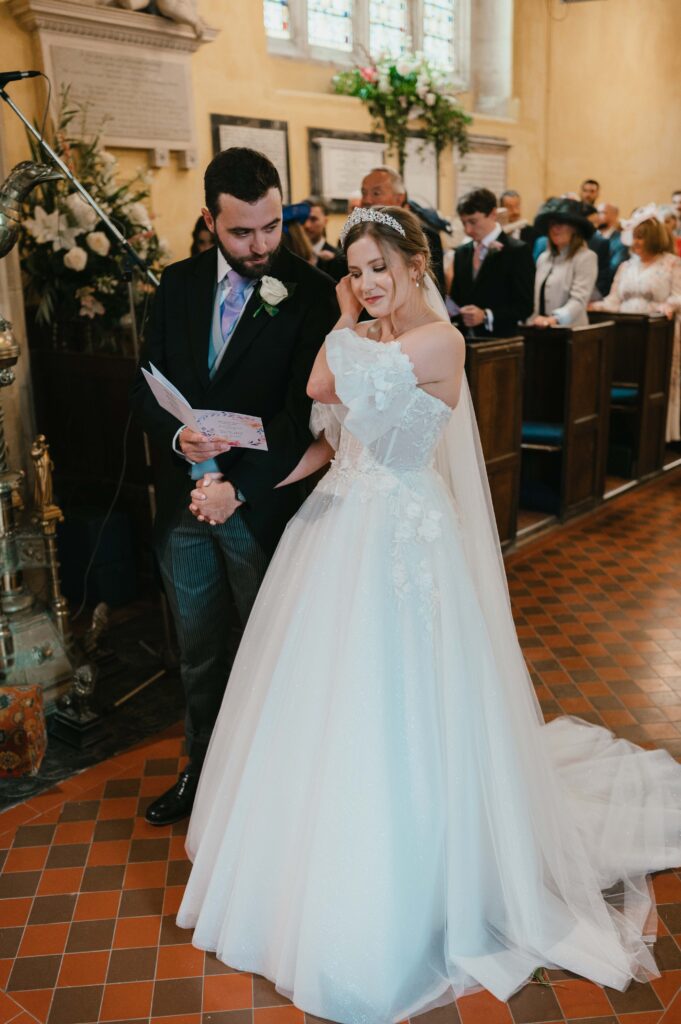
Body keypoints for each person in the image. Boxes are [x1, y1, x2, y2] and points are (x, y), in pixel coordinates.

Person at [177, 203, 681, 1023]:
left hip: (401, 541)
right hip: (336, 527)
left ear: (416, 267)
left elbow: (315, 384)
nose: (367, 283)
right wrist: (246, 487)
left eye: (379, 267)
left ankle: (414, 873)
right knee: (324, 704)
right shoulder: (371, 345)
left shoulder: (437, 342)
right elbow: (334, 441)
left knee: (402, 701)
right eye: (354, 269)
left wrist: (341, 318)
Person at [129, 147, 338, 826]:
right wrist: (179, 439)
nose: (261, 245)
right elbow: (148, 385)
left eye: (272, 226)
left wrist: (237, 489)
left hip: (260, 504)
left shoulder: (308, 292)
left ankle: (271, 788)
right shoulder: (178, 283)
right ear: (209, 221)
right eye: (242, 231)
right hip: (188, 502)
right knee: (199, 651)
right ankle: (201, 773)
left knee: (269, 647)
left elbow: (301, 413)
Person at [591, 204, 681, 442]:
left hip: (659, 331)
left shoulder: (672, 263)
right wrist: (596, 307)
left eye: (642, 238)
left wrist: (668, 305)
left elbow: (678, 294)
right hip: (627, 333)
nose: (637, 243)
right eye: (635, 238)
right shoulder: (626, 266)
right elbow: (613, 299)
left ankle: (663, 433)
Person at [450, 186, 535, 338]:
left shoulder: (517, 251)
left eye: (473, 221)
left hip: (500, 341)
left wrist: (486, 315)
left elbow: (525, 306)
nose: (468, 230)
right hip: (464, 341)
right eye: (464, 223)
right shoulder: (462, 252)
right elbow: (457, 297)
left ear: (493, 214)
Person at [361, 165, 446, 294]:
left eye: (376, 193)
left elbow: (435, 288)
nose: (367, 200)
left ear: (399, 198)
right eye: (364, 193)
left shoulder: (426, 236)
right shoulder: (358, 236)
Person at [528, 196, 597, 328]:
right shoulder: (544, 258)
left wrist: (554, 319)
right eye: (552, 224)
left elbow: (579, 300)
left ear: (574, 228)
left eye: (561, 224)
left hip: (571, 331)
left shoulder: (586, 257)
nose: (555, 228)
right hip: (541, 330)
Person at [304, 196, 346, 281]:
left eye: (313, 219)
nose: (307, 225)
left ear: (325, 221)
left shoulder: (339, 260)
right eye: (303, 219)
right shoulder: (291, 254)